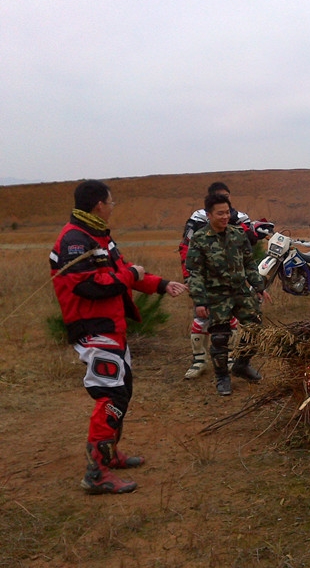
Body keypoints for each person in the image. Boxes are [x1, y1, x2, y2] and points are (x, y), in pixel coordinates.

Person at [50, 179, 187, 495]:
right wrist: (131, 275)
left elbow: (122, 271)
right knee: (110, 394)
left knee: (122, 389)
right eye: (111, 202)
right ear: (99, 204)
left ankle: (109, 455)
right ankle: (95, 474)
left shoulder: (98, 236)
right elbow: (91, 285)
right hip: (92, 327)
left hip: (112, 326)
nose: (113, 207)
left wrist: (162, 284)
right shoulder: (74, 239)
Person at [178, 181, 272, 379]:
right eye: (220, 211)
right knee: (217, 333)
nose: (225, 214)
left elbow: (248, 259)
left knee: (254, 327)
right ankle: (210, 369)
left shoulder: (237, 229)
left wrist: (258, 286)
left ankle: (240, 364)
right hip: (214, 292)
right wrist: (198, 296)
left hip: (238, 289)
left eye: (227, 208)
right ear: (209, 212)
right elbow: (192, 264)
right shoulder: (198, 231)